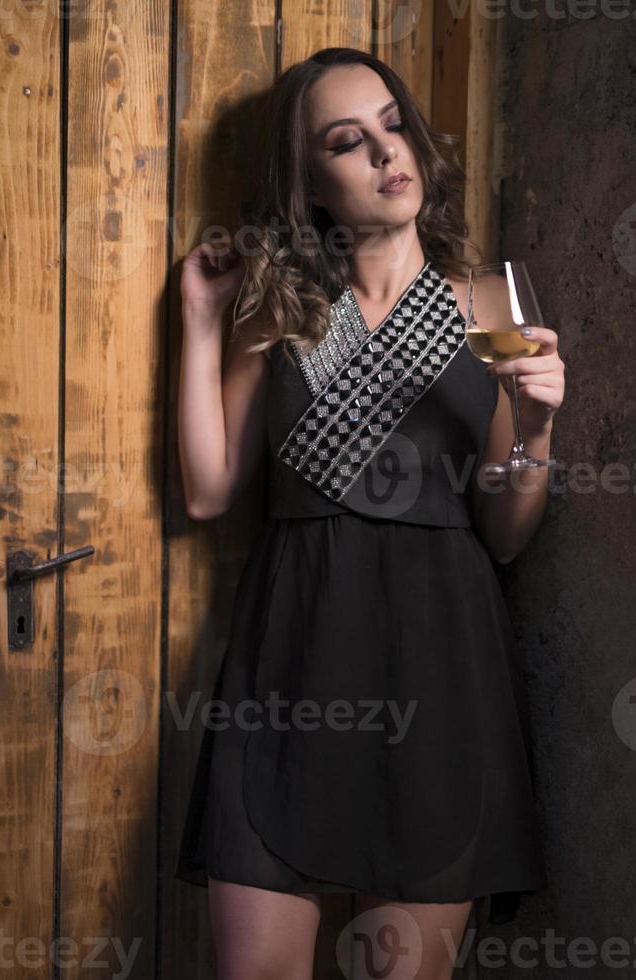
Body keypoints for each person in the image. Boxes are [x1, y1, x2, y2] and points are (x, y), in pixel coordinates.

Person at [174, 46, 565, 980]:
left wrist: (539, 427)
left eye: (396, 126)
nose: (389, 154)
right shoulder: (283, 312)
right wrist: (196, 325)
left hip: (439, 666)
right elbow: (207, 490)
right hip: (291, 658)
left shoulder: (488, 306)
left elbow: (506, 535)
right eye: (350, 143)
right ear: (311, 184)